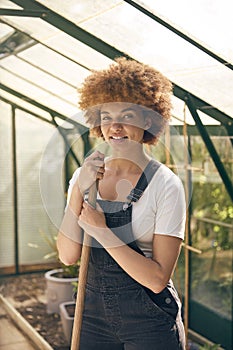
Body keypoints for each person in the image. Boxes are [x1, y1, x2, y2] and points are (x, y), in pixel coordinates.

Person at [57, 57, 186, 349]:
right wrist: (79, 187)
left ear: (148, 119)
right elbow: (67, 255)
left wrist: (102, 231)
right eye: (106, 117)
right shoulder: (84, 175)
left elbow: (156, 279)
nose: (115, 126)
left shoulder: (165, 185)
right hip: (91, 317)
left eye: (127, 116)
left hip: (149, 321)